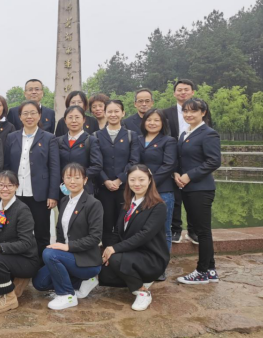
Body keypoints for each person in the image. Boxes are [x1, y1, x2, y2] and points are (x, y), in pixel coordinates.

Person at [98, 164, 170, 311]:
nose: (137, 184)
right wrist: (108, 250)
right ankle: (135, 278)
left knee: (115, 259)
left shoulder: (158, 206)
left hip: (151, 257)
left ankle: (142, 291)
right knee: (102, 266)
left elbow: (144, 235)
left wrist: (114, 249)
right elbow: (117, 232)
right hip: (132, 253)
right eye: (132, 180)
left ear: (150, 180)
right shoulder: (128, 204)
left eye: (141, 179)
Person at [33, 163, 103, 310]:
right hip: (68, 257)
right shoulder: (64, 201)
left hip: (87, 260)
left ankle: (67, 295)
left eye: (77, 177)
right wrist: (60, 247)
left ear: (85, 180)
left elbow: (95, 237)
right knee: (39, 283)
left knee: (49, 254)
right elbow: (60, 231)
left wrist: (66, 247)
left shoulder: (93, 204)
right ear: (63, 180)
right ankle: (82, 282)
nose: (72, 181)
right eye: (68, 177)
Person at [0, 170, 39, 314]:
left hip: (26, 259)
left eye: (10, 185)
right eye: (1, 185)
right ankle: (15, 281)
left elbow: (26, 243)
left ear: (16, 186)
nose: (5, 189)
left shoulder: (22, 209)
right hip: (7, 257)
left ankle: (8, 298)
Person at [4, 100, 60, 257]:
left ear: (39, 115)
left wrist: (53, 195)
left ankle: (41, 264)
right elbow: (6, 166)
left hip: (39, 195)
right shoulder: (11, 137)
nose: (29, 117)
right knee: (15, 231)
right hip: (16, 194)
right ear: (20, 117)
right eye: (25, 113)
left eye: (33, 113)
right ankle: (19, 263)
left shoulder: (49, 138)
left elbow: (54, 168)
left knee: (42, 233)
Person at [175, 98, 221, 285]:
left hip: (201, 189)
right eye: (185, 111)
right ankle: (210, 270)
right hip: (188, 188)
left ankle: (202, 271)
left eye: (193, 111)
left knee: (203, 232)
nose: (188, 114)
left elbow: (214, 161)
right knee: (201, 230)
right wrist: (177, 174)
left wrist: (189, 176)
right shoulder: (185, 133)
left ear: (203, 112)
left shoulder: (208, 133)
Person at [95, 100, 141, 246]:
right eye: (110, 111)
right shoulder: (96, 136)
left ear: (123, 113)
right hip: (103, 189)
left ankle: (122, 255)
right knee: (106, 223)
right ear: (105, 113)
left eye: (116, 111)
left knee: (124, 223)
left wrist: (120, 179)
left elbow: (134, 161)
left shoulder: (131, 135)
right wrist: (105, 180)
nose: (113, 114)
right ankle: (107, 254)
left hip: (125, 188)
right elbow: (95, 162)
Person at [138, 109, 177, 260]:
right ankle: (145, 261)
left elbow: (169, 164)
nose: (152, 123)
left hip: (162, 191)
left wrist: (149, 183)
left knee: (163, 229)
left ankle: (161, 264)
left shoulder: (168, 141)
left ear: (163, 123)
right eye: (149, 120)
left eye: (156, 120)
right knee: (142, 228)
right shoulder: (137, 139)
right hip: (139, 192)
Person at [163, 79, 197, 244]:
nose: (183, 92)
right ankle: (175, 229)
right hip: (172, 160)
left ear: (192, 92)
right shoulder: (166, 113)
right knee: (175, 198)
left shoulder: (200, 111)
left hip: (193, 161)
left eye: (186, 89)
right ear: (174, 93)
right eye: (179, 90)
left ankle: (193, 230)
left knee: (193, 198)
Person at [57, 105, 103, 196]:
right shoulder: (59, 141)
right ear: (65, 120)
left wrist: (78, 177)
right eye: (70, 117)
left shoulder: (91, 140)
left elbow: (97, 166)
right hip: (63, 189)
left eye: (77, 117)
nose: (74, 121)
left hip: (84, 189)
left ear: (84, 120)